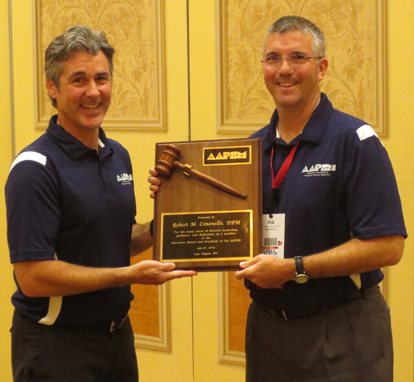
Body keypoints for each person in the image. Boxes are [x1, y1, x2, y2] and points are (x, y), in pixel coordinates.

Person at [149, 15, 406, 382]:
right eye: (273, 58)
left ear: (322, 68)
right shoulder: (251, 150)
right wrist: (171, 192)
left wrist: (293, 268)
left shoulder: (355, 140)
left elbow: (387, 247)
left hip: (341, 327)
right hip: (267, 329)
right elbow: (214, 215)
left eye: (298, 57)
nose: (284, 69)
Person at [5, 25, 196, 382]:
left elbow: (116, 239)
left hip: (117, 338)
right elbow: (32, 277)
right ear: (52, 87)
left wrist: (166, 224)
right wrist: (128, 276)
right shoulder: (34, 169)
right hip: (56, 347)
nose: (93, 92)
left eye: (102, 78)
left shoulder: (117, 155)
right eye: (79, 80)